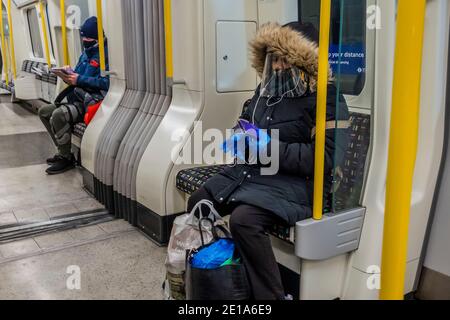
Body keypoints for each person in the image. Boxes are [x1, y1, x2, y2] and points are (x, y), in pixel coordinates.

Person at [187, 22, 350, 300]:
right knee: (199, 201)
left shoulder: (327, 98)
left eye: (284, 58)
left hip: (301, 183)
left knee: (244, 220)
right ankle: (227, 277)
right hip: (257, 173)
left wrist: (268, 147)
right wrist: (241, 136)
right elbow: (247, 123)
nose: (276, 66)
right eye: (273, 58)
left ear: (304, 61)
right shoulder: (266, 92)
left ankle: (271, 296)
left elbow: (324, 158)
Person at [39, 16, 109, 175]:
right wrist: (69, 73)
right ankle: (62, 149)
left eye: (88, 37)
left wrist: (79, 79)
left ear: (98, 38)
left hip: (90, 101)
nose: (85, 40)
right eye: (83, 37)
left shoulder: (105, 55)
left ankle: (66, 158)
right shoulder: (86, 54)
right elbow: (78, 74)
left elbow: (107, 83)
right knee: (44, 112)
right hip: (76, 97)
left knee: (58, 115)